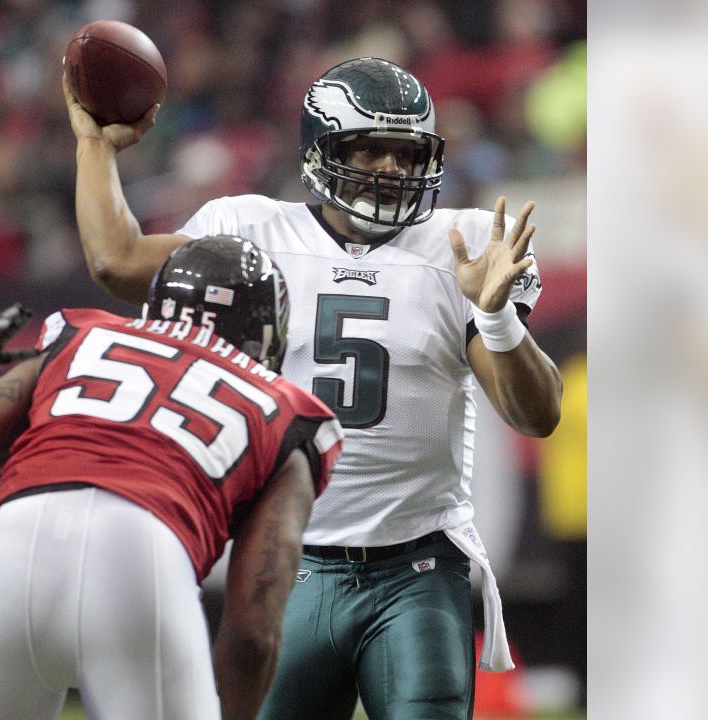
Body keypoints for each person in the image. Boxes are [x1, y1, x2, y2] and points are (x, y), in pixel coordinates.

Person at [65, 57, 563, 719]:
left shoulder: (461, 245)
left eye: (405, 151)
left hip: (418, 565)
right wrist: (95, 147)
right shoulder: (250, 228)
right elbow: (118, 261)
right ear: (319, 153)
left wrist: (496, 317)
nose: (390, 168)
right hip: (287, 559)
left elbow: (534, 414)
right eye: (370, 148)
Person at [0, 236, 344, 720]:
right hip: (140, 560)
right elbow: (251, 631)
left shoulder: (79, 333)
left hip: (6, 544)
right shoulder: (287, 410)